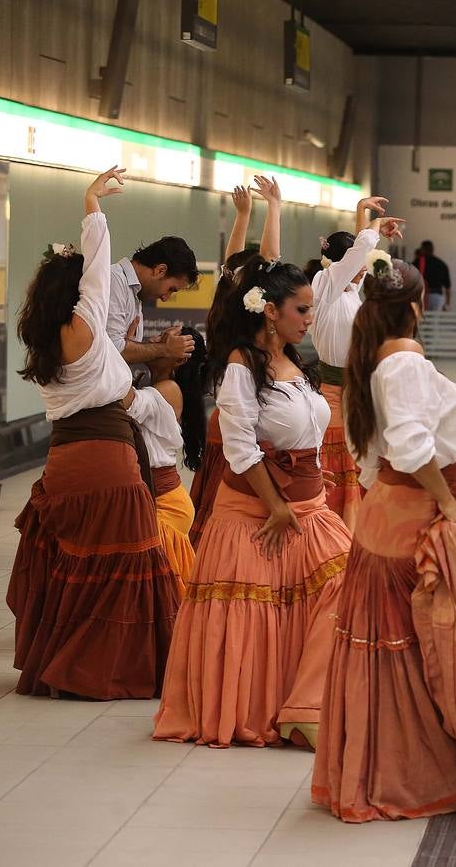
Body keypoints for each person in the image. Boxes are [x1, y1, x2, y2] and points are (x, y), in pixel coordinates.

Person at [313, 258, 456, 822]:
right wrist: (445, 502)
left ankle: (380, 768)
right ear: (416, 308)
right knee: (440, 646)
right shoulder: (406, 365)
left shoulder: (370, 360)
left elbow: (369, 458)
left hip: (381, 520)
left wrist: (387, 499)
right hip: (415, 518)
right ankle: (422, 772)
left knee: (394, 647)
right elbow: (413, 447)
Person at [154, 259, 351, 749]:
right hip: (256, 518)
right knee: (265, 616)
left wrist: (307, 479)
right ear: (269, 312)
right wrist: (278, 505)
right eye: (301, 309)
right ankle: (292, 712)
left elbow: (302, 432)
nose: (310, 318)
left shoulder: (294, 361)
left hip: (310, 508)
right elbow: (240, 448)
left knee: (349, 587)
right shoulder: (242, 366)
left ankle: (308, 704)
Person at [7, 167, 179, 699]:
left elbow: (95, 277)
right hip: (109, 463)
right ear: (78, 290)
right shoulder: (88, 325)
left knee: (74, 564)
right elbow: (101, 272)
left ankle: (60, 665)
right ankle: (101, 668)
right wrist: (92, 207)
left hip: (62, 465)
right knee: (122, 564)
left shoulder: (47, 342)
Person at [190, 180, 283, 546]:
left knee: (218, 518)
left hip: (221, 427)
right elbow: (271, 263)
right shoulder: (258, 327)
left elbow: (234, 267)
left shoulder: (223, 314)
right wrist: (273, 207)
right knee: (248, 517)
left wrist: (243, 215)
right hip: (251, 429)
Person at [308, 196, 404, 529]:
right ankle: (336, 531)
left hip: (357, 388)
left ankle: (358, 528)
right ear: (340, 262)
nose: (365, 267)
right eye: (357, 262)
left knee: (361, 459)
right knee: (339, 462)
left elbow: (360, 254)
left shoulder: (347, 288)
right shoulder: (326, 284)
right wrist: (369, 215)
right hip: (333, 392)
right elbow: (362, 248)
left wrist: (362, 215)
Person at [127, 327, 208, 588]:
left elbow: (123, 404)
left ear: (180, 357)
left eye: (162, 340)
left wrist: (117, 349)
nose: (152, 341)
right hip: (158, 497)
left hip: (165, 504)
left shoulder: (168, 389)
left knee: (163, 594)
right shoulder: (153, 385)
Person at [105, 214, 199, 384]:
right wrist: (165, 348)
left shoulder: (136, 293)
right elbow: (113, 349)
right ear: (160, 270)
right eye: (171, 289)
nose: (165, 298)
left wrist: (151, 345)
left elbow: (123, 348)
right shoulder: (114, 281)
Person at [413, 240, 451, 311]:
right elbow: (447, 286)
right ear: (432, 250)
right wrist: (447, 303)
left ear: (422, 249)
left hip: (423, 295)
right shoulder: (441, 264)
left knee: (423, 320)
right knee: (435, 321)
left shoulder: (418, 262)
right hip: (437, 296)